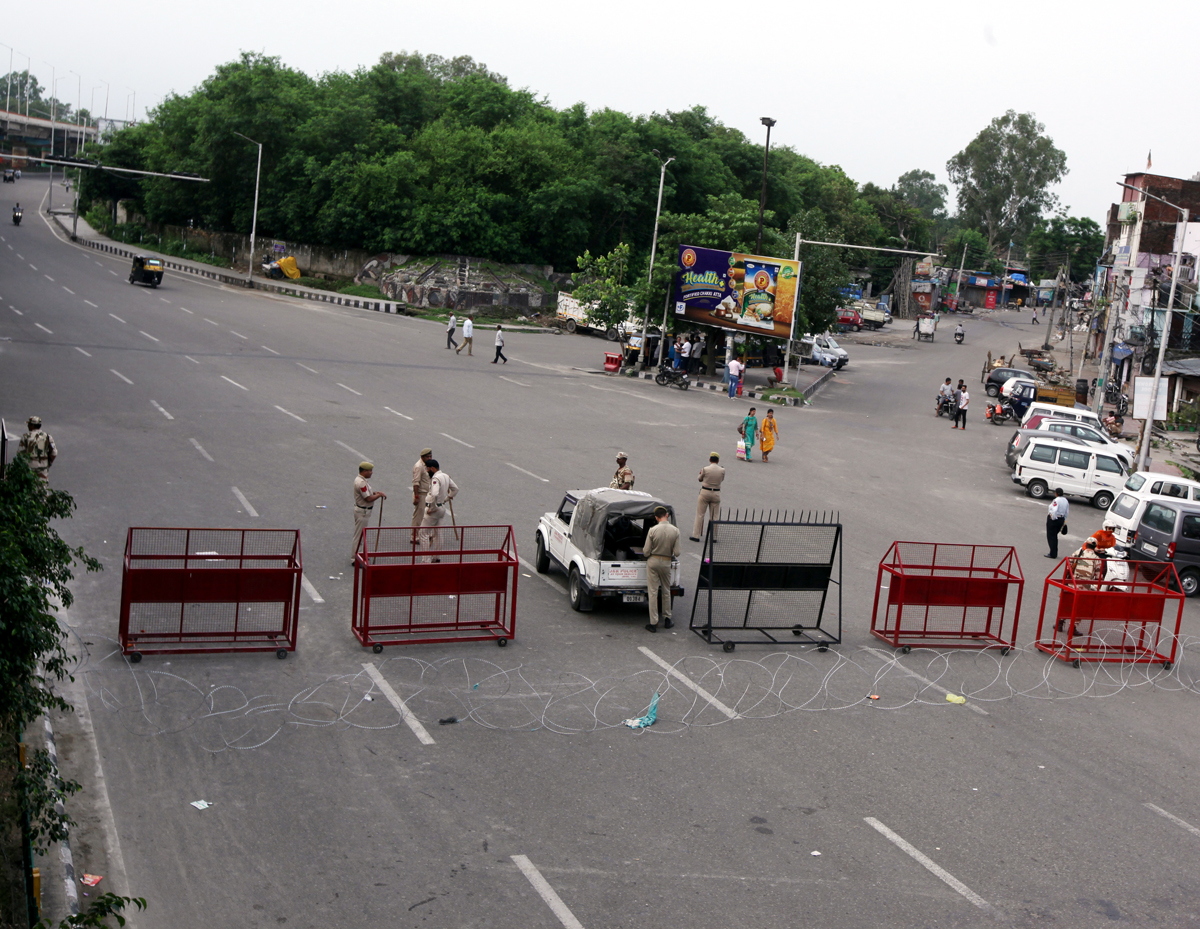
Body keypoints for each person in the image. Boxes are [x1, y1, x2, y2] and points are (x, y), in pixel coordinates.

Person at [643, 505, 681, 633]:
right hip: (666, 562)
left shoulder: (652, 530)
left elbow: (646, 551)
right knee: (666, 590)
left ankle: (653, 622)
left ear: (656, 518)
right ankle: (667, 618)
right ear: (667, 516)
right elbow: (677, 552)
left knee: (653, 592)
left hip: (653, 561)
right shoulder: (675, 531)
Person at [418, 459, 458, 560]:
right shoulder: (445, 476)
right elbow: (455, 489)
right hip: (441, 508)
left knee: (423, 533)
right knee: (438, 533)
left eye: (428, 469)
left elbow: (434, 494)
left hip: (434, 509)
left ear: (432, 468)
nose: (427, 471)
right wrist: (446, 498)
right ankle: (436, 557)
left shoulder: (435, 478)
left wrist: (432, 507)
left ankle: (425, 560)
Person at [351, 462, 386, 563]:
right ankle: (355, 558)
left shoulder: (362, 480)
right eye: (370, 471)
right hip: (362, 511)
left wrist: (376, 493)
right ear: (364, 471)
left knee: (362, 535)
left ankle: (360, 554)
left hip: (364, 511)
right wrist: (379, 496)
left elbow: (368, 493)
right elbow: (368, 498)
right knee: (359, 536)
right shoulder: (361, 482)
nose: (371, 473)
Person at [691, 452, 725, 542]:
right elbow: (722, 479)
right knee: (714, 516)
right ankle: (713, 537)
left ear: (710, 459)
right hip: (716, 493)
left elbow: (699, 479)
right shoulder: (722, 470)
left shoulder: (705, 469)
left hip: (705, 492)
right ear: (718, 460)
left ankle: (696, 535)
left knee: (700, 514)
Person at [18, 415, 56, 482]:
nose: (28, 426)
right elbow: (54, 452)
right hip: (43, 466)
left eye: (29, 424)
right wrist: (48, 462)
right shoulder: (47, 437)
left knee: (30, 486)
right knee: (42, 487)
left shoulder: (26, 437)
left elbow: (20, 454)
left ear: (32, 425)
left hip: (30, 466)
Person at [411, 447, 433, 538]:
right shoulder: (418, 466)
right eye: (427, 457)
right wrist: (416, 496)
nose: (429, 458)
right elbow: (416, 482)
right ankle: (414, 536)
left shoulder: (428, 465)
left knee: (428, 515)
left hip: (428, 494)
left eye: (430, 456)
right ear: (422, 457)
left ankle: (425, 533)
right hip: (421, 494)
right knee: (418, 516)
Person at [1046, 488, 1069, 558]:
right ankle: (1053, 552)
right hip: (1061, 519)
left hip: (1055, 519)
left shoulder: (1056, 500)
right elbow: (1067, 511)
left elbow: (1054, 510)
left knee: (1051, 537)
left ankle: (1053, 553)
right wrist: (1064, 519)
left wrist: (1052, 518)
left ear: (1056, 493)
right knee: (1054, 536)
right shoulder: (1065, 500)